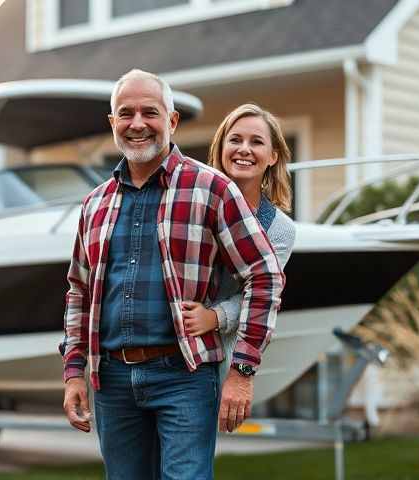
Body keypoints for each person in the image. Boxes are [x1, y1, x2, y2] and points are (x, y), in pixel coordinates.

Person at [59, 70, 285, 479]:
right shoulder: (94, 204)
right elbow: (79, 290)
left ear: (172, 121)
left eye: (150, 112)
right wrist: (75, 371)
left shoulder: (211, 188)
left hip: (184, 378)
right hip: (111, 381)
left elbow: (265, 275)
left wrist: (242, 371)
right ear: (113, 124)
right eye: (125, 114)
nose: (138, 123)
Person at [182, 103, 296, 434]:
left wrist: (214, 317)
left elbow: (261, 292)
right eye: (235, 139)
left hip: (217, 351)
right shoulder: (191, 203)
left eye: (257, 142)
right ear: (220, 149)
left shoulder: (280, 229)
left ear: (273, 155)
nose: (244, 149)